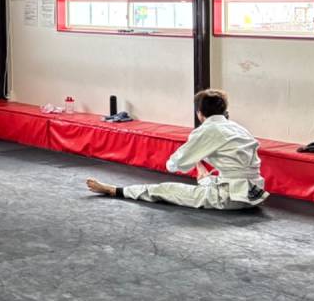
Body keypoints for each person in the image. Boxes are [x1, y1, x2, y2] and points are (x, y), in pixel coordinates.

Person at [85, 88, 267, 210]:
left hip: (228, 199)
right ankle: (206, 181)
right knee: (206, 179)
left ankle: (116, 190)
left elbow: (174, 165)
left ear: (199, 113)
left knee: (165, 189)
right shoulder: (238, 128)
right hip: (254, 195)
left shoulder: (207, 130)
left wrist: (191, 160)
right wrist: (199, 165)